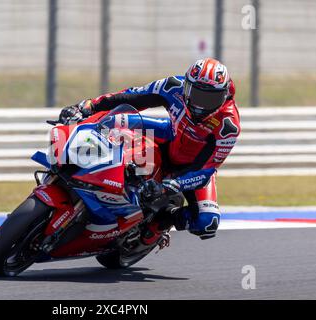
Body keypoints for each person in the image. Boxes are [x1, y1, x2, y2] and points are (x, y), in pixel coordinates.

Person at [58, 58, 241, 242]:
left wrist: (173, 185)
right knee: (113, 120)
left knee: (207, 222)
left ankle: (159, 225)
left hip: (192, 168)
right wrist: (89, 106)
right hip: (167, 135)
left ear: (224, 95)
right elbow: (131, 96)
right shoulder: (172, 86)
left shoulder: (228, 126)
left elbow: (205, 170)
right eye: (198, 96)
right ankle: (73, 162)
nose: (201, 105)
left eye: (210, 99)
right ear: (186, 87)